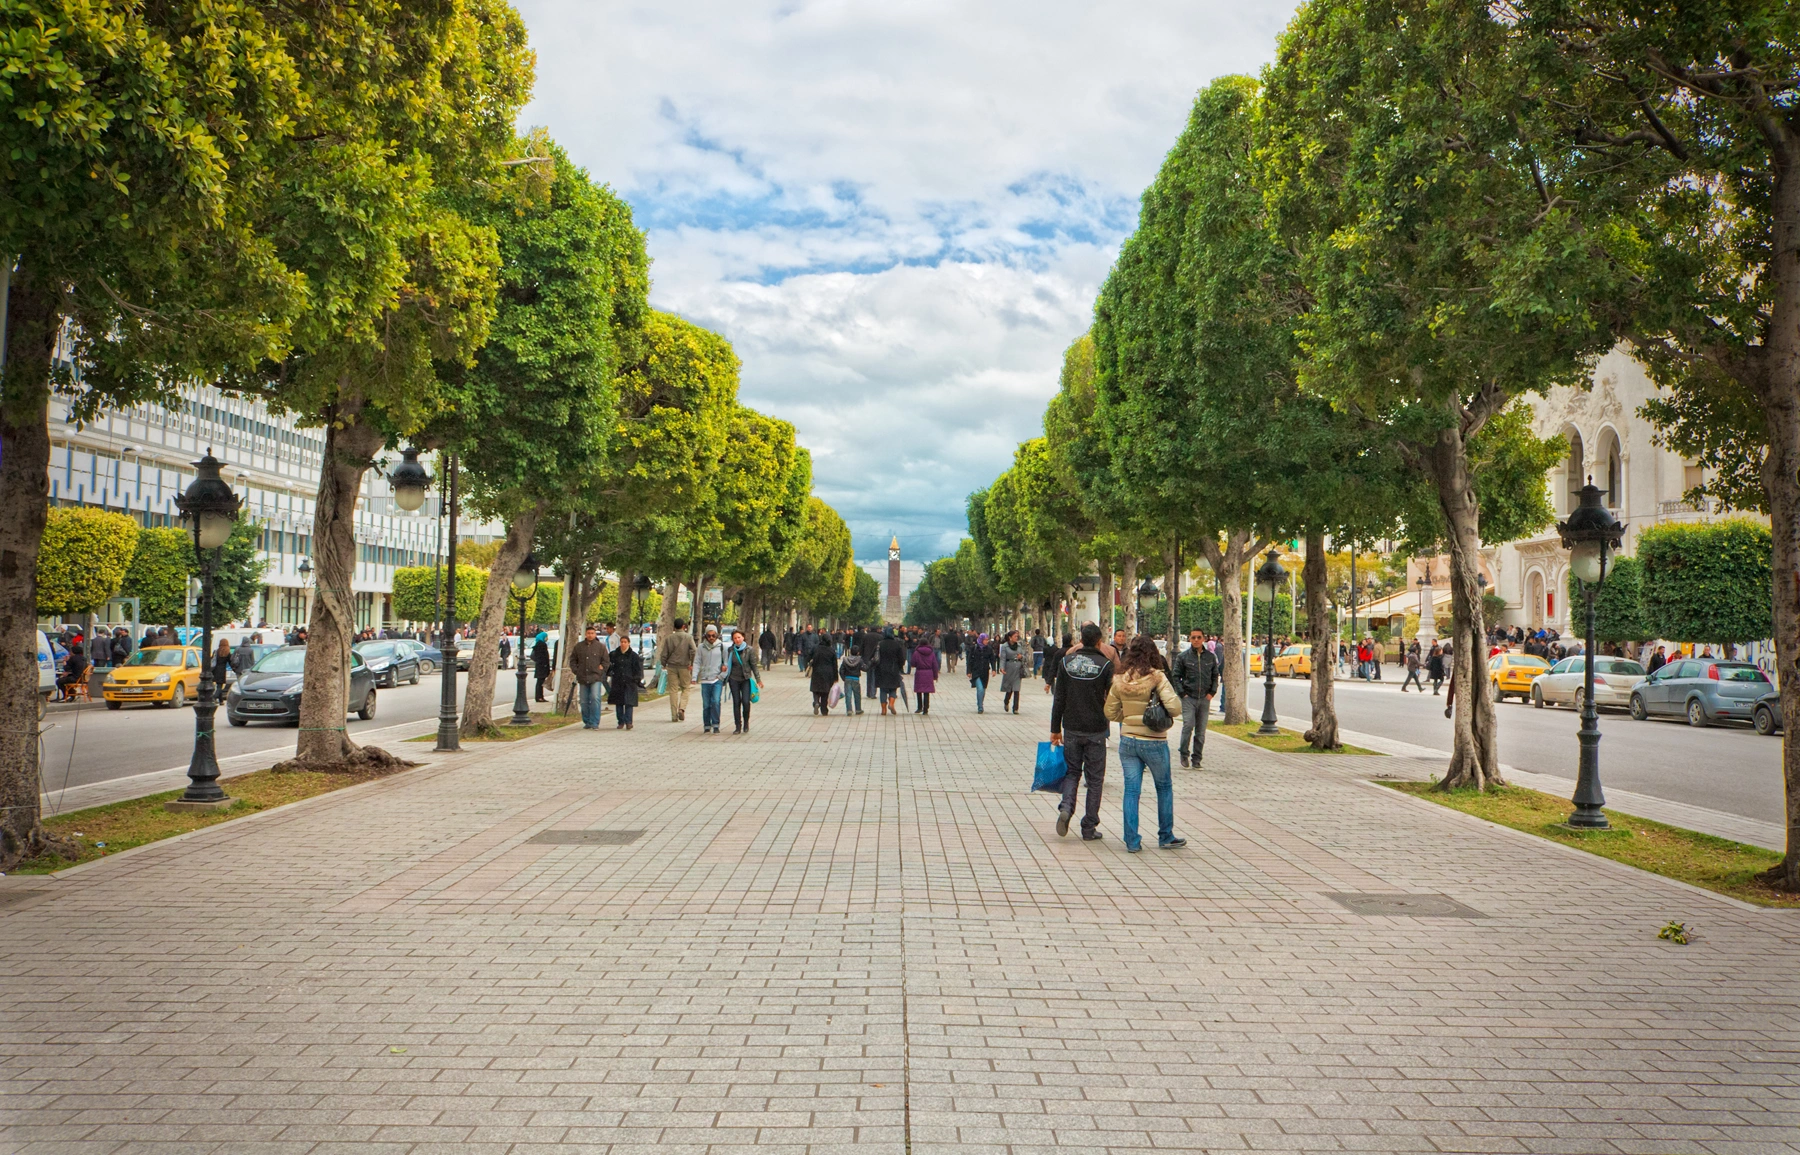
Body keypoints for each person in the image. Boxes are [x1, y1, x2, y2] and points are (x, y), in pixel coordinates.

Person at [1105, 635, 1187, 852]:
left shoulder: (1120, 678)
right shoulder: (1157, 677)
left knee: (1131, 791)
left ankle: (1132, 841)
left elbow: (1109, 711)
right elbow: (1176, 708)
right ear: (1153, 653)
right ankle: (1166, 836)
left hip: (1128, 741)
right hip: (1154, 741)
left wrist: (1129, 717)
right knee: (1164, 787)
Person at [1050, 623, 1114, 842]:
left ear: (1080, 640)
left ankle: (1066, 806)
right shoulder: (1105, 665)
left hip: (1072, 727)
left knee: (1072, 772)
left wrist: (1055, 728)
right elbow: (1111, 698)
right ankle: (1089, 826)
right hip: (1096, 728)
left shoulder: (1066, 663)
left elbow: (1059, 698)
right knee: (1095, 779)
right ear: (1099, 642)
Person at [1170, 628, 1220, 768]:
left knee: (1201, 731)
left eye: (1199, 637)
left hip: (1204, 698)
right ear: (1190, 639)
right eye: (1193, 637)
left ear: (1203, 639)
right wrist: (1182, 693)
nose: (1196, 640)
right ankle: (1184, 753)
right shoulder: (1183, 657)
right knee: (1188, 726)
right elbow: (1176, 676)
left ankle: (1197, 758)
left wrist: (1212, 692)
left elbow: (1215, 675)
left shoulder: (1210, 657)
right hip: (1189, 698)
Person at [569, 625, 610, 730]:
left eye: (592, 633)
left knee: (595, 698)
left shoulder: (601, 647)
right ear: (585, 634)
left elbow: (606, 661)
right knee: (584, 700)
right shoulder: (579, 646)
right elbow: (573, 660)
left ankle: (595, 721)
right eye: (588, 633)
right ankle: (587, 721)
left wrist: (601, 669)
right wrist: (576, 670)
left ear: (595, 634)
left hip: (595, 676)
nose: (590, 635)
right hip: (582, 677)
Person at [661, 618, 697, 723]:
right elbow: (694, 650)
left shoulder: (669, 638)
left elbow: (664, 654)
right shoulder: (688, 637)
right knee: (686, 688)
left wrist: (664, 664)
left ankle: (673, 715)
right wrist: (691, 662)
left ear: (674, 627)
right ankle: (682, 708)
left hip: (671, 666)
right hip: (684, 666)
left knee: (673, 690)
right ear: (683, 626)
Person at [693, 625, 727, 733]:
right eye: (709, 635)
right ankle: (707, 725)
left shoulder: (722, 647)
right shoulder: (701, 647)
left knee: (716, 701)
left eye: (713, 635)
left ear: (717, 635)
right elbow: (697, 662)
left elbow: (726, 663)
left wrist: (722, 676)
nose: (711, 638)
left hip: (717, 679)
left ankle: (716, 724)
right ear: (705, 636)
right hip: (705, 679)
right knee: (706, 704)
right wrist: (694, 676)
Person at [606, 631, 643, 729]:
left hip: (629, 682)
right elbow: (609, 666)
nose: (623, 644)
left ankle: (628, 722)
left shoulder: (634, 656)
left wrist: (637, 679)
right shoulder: (614, 655)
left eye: (625, 642)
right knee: (619, 703)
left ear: (628, 643)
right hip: (617, 682)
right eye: (621, 642)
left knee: (629, 703)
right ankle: (620, 721)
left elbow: (638, 669)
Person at [727, 628, 757, 733]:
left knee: (745, 701)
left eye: (739, 637)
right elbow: (727, 664)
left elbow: (754, 665)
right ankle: (738, 726)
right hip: (733, 679)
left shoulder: (749, 649)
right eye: (735, 638)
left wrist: (758, 679)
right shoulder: (730, 650)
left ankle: (746, 723)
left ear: (743, 637)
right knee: (736, 702)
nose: (737, 639)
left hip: (745, 679)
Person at [872, 627, 906, 715]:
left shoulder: (879, 644)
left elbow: (874, 656)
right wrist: (900, 666)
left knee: (883, 689)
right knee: (893, 688)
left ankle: (883, 709)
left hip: (881, 669)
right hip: (893, 669)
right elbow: (901, 658)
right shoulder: (897, 644)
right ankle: (891, 703)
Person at [998, 630, 1028, 713]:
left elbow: (1025, 656)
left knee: (1016, 688)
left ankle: (1015, 708)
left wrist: (1021, 656)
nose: (1016, 638)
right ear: (1010, 638)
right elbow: (1003, 658)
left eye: (1017, 636)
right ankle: (1006, 701)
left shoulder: (1019, 646)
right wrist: (1002, 668)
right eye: (1015, 636)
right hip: (1009, 667)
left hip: (1018, 668)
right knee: (1009, 687)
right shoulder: (1004, 646)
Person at [809, 637, 839, 714]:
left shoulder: (816, 648)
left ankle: (816, 702)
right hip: (828, 672)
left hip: (817, 671)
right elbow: (835, 665)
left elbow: (810, 657)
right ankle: (824, 709)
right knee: (825, 691)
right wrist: (836, 677)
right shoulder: (831, 650)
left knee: (816, 689)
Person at [911, 635, 939, 714]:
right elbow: (934, 664)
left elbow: (913, 663)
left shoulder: (916, 652)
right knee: (927, 691)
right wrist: (935, 675)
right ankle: (926, 709)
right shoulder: (931, 652)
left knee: (919, 690)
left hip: (919, 672)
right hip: (928, 673)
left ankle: (919, 707)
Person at [965, 632, 993, 713]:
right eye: (985, 640)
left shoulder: (989, 649)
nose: (986, 641)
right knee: (980, 689)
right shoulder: (974, 648)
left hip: (985, 671)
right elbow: (969, 660)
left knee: (983, 690)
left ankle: (980, 702)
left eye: (987, 640)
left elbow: (992, 659)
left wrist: (994, 669)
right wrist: (969, 671)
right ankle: (980, 707)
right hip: (976, 671)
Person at [839, 646, 865, 715]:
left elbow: (841, 670)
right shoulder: (859, 660)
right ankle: (858, 709)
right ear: (858, 653)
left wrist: (844, 678)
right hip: (856, 679)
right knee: (857, 695)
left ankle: (849, 710)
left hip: (847, 678)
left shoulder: (845, 660)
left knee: (848, 695)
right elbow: (864, 668)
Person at [531, 631, 551, 703]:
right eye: (546, 637)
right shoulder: (542, 645)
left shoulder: (537, 644)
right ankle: (539, 697)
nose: (547, 638)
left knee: (539, 682)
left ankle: (539, 696)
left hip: (539, 666)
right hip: (542, 666)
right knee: (540, 682)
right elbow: (543, 656)